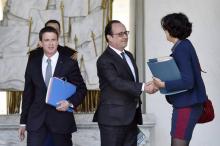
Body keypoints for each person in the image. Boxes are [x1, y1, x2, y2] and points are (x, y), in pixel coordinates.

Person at [18, 26, 87, 146]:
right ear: (40, 43)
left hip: (61, 122)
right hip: (36, 122)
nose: (51, 44)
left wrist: (69, 103)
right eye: (47, 40)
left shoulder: (69, 63)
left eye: (53, 40)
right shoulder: (33, 63)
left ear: (57, 41)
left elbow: (81, 89)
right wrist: (23, 123)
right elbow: (28, 94)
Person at [93, 20, 158, 146]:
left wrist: (147, 85)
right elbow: (116, 82)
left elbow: (130, 81)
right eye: (120, 34)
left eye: (126, 33)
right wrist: (144, 87)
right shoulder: (104, 60)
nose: (125, 36)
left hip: (131, 117)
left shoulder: (129, 55)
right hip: (112, 120)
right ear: (109, 37)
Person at [152, 13, 208, 146]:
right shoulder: (184, 45)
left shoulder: (181, 48)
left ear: (172, 29)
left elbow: (188, 81)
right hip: (187, 105)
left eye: (165, 28)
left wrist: (163, 84)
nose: (165, 31)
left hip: (186, 106)